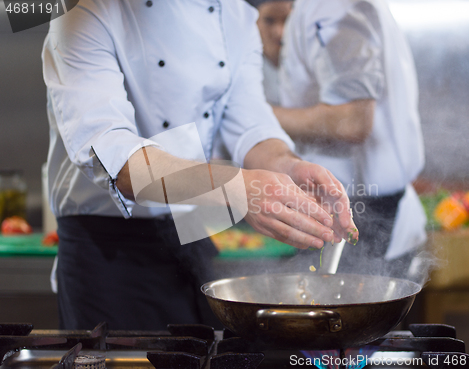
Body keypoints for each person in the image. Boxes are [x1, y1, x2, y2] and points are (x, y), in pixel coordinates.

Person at [41, 0, 358, 330]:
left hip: (193, 232)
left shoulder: (235, 13)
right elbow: (119, 164)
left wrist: (287, 166)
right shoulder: (80, 12)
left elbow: (250, 123)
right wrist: (237, 188)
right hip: (108, 250)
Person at [273, 0, 427, 278]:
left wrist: (257, 118)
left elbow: (351, 121)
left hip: (360, 218)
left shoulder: (327, 6)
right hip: (362, 210)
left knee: (341, 319)